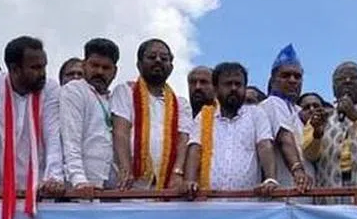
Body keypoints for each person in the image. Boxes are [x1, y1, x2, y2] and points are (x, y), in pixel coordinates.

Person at [0, 36, 64, 219]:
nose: (42, 73)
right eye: (35, 68)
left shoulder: (50, 88)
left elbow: (52, 135)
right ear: (14, 69)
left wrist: (54, 178)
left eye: (44, 66)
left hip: (41, 193)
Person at [184, 62, 278, 194]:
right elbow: (195, 149)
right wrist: (189, 181)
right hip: (208, 203)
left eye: (238, 84)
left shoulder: (256, 114)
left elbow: (264, 146)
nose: (234, 88)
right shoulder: (204, 116)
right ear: (216, 89)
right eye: (228, 84)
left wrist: (270, 179)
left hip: (246, 204)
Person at [112, 39, 192, 191]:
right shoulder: (125, 92)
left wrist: (177, 172)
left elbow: (183, 140)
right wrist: (125, 168)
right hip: (131, 185)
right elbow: (120, 131)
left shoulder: (181, 103)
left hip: (168, 186)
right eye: (152, 57)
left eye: (164, 58)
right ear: (139, 64)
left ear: (171, 67)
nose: (158, 61)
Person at [303, 62, 357, 200]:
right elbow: (309, 156)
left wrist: (356, 118)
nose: (347, 81)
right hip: (329, 198)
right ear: (333, 88)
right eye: (340, 79)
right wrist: (317, 134)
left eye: (353, 77)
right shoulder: (319, 119)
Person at [61, 38, 119, 190]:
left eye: (106, 68)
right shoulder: (75, 90)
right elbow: (70, 139)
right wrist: (79, 180)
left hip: (109, 191)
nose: (99, 71)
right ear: (84, 65)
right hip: (79, 189)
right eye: (94, 65)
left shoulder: (114, 99)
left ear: (115, 72)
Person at [259, 45, 311, 189]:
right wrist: (298, 171)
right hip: (286, 194)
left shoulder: (298, 110)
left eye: (297, 76)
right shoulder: (273, 103)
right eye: (286, 75)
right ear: (273, 80)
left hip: (305, 194)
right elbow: (284, 139)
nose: (293, 80)